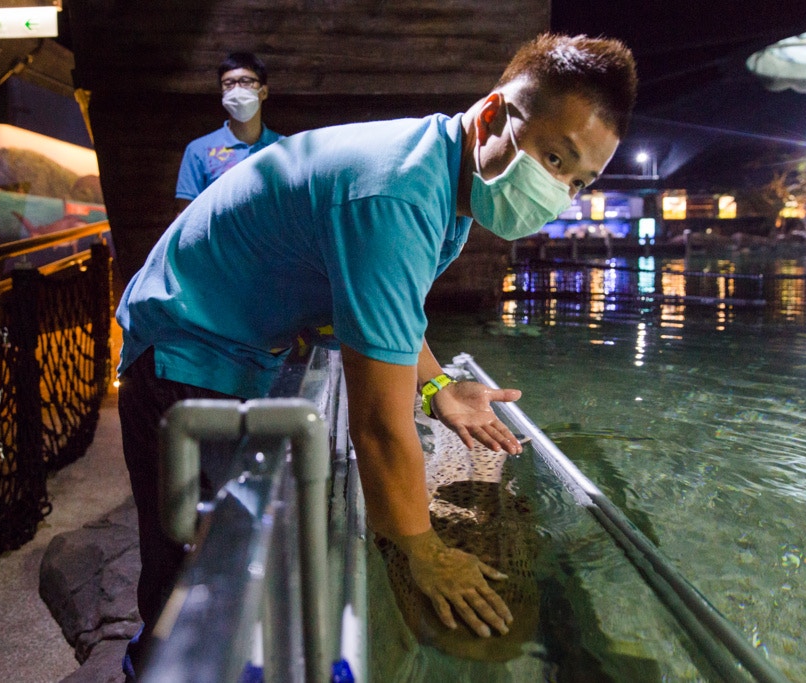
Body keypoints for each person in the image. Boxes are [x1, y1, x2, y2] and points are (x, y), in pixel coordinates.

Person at [117, 32, 636, 677]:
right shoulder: (398, 194)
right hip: (184, 348)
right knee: (194, 582)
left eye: (580, 181)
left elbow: (384, 312)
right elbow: (377, 426)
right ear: (496, 115)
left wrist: (436, 387)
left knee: (211, 558)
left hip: (225, 337)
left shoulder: (436, 172)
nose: (561, 191)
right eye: (556, 159)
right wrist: (422, 548)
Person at [174, 51, 284, 212]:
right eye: (229, 83)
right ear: (222, 92)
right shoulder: (199, 150)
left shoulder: (284, 148)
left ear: (263, 91)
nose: (237, 89)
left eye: (246, 81)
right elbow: (184, 216)